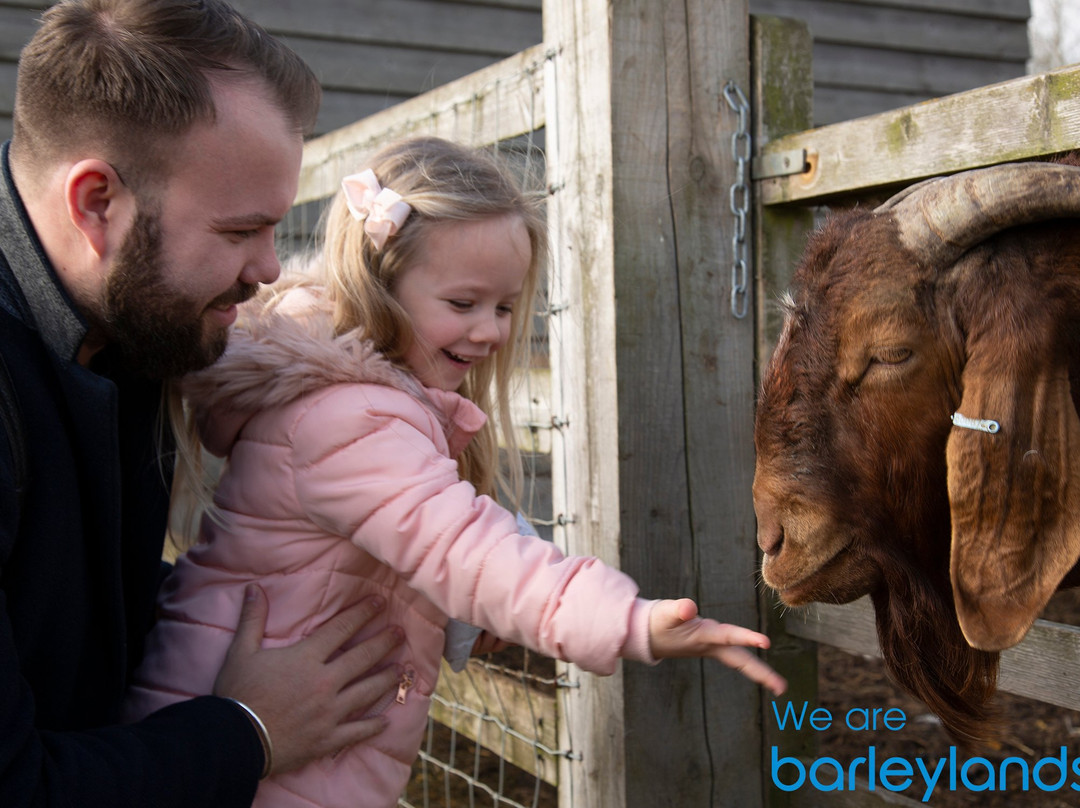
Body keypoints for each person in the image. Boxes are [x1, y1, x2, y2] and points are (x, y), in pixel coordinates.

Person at [123, 135, 789, 808]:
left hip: (268, 734)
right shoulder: (351, 419)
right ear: (380, 285)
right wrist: (627, 622)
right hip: (259, 760)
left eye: (503, 306)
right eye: (464, 303)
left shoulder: (351, 402)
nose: (494, 331)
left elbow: (429, 518)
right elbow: (466, 549)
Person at [0, 2, 406, 807]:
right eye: (239, 230)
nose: (267, 269)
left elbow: (67, 602)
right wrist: (248, 727)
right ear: (96, 204)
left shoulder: (131, 321)